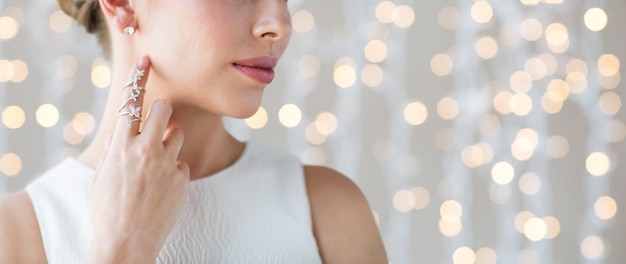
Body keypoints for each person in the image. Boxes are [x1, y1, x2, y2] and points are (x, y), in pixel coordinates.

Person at [0, 0, 387, 263]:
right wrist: (122, 251)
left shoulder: (327, 207)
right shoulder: (17, 235)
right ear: (122, 3)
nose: (280, 25)